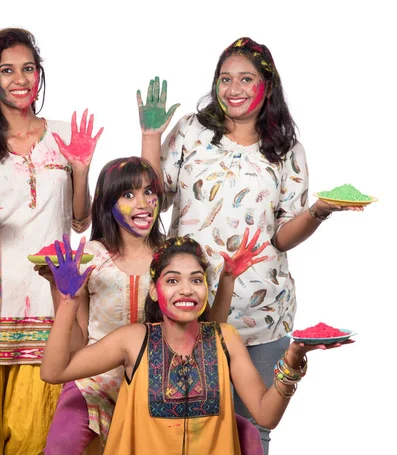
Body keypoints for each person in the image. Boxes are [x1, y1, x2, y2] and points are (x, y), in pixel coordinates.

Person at [137, 37, 365, 454]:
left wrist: (319, 210)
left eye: (246, 78)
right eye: (225, 79)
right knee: (179, 432)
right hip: (187, 308)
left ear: (268, 85)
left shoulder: (286, 152)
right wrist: (151, 136)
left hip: (259, 314)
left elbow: (280, 236)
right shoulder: (192, 131)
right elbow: (154, 198)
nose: (233, 89)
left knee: (250, 432)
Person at [0, 27, 102, 455]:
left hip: (51, 301)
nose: (20, 79)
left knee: (36, 435)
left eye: (28, 68)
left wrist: (80, 169)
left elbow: (81, 222)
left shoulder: (64, 136)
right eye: (7, 70)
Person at [41, 236, 351, 455]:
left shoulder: (224, 337)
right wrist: (68, 302)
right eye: (173, 281)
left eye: (197, 280)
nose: (186, 290)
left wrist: (293, 361)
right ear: (154, 290)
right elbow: (55, 371)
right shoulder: (134, 340)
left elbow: (266, 415)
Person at [41, 157, 265, 455]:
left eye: (150, 192)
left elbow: (210, 333)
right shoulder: (90, 259)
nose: (144, 202)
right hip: (96, 384)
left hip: (159, 385)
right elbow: (78, 339)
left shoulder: (173, 257)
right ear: (108, 201)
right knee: (61, 443)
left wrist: (227, 280)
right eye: (129, 194)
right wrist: (59, 291)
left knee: (246, 432)